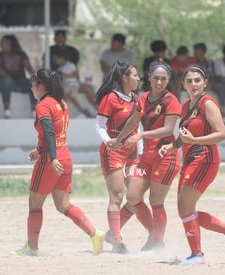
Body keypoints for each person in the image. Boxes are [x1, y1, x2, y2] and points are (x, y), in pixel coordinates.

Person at [11, 68, 104, 256]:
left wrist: (51, 157)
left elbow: (49, 132)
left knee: (35, 203)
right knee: (63, 205)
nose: (31, 87)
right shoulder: (62, 103)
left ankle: (32, 247)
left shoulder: (43, 105)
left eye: (33, 84)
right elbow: (57, 132)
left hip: (51, 161)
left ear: (42, 85)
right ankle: (95, 234)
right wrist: (41, 149)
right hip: (66, 157)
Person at [159, 65, 225, 265]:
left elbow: (221, 134)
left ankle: (198, 255)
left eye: (197, 80)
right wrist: (172, 146)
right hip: (190, 159)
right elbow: (185, 135)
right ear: (183, 84)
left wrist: (194, 141)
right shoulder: (186, 104)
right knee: (184, 209)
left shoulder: (208, 103)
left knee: (186, 207)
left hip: (205, 159)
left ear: (205, 83)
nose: (194, 84)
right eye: (189, 81)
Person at [107, 61, 181, 251]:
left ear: (168, 80)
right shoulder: (143, 98)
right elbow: (133, 122)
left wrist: (141, 135)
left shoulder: (171, 100)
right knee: (132, 196)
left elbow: (168, 129)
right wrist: (118, 139)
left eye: (163, 79)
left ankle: (157, 242)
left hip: (166, 157)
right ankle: (142, 233)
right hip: (147, 157)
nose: (159, 82)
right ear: (149, 77)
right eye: (155, 78)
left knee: (156, 202)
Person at [95, 62, 140, 253]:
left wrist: (141, 150)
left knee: (135, 196)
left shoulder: (136, 99)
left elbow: (140, 127)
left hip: (132, 152)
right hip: (113, 151)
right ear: (125, 78)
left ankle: (110, 235)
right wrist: (108, 141)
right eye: (135, 76)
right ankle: (117, 241)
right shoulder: (110, 99)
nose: (138, 79)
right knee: (117, 196)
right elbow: (99, 125)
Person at [46, 29, 96, 111]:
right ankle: (65, 115)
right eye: (58, 38)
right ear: (54, 39)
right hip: (56, 82)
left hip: (72, 82)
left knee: (89, 88)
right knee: (61, 92)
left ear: (65, 39)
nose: (60, 40)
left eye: (62, 38)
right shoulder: (49, 51)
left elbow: (76, 69)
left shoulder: (72, 51)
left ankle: (99, 112)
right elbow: (46, 69)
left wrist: (76, 79)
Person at [0, 35, 37, 118]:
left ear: (10, 43)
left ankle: (33, 110)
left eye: (4, 42)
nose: (1, 44)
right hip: (4, 82)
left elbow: (28, 66)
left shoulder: (21, 54)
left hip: (20, 82)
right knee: (6, 82)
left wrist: (33, 75)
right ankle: (7, 109)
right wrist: (5, 75)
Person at [56, 51, 94, 118]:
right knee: (65, 95)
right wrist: (67, 75)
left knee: (72, 97)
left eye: (58, 59)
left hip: (73, 84)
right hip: (66, 85)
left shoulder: (71, 65)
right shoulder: (60, 68)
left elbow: (75, 75)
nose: (56, 61)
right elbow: (60, 76)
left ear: (62, 59)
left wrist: (64, 75)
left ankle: (83, 111)